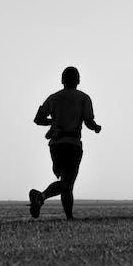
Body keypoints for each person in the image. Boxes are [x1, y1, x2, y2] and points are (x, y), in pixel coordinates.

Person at [29, 66, 101, 220]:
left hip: (55, 145)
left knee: (66, 181)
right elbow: (88, 121)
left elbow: (38, 119)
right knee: (67, 183)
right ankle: (40, 197)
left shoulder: (54, 98)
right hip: (72, 144)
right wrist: (96, 128)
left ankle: (69, 217)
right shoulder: (83, 98)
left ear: (62, 80)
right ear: (78, 80)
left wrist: (54, 121)